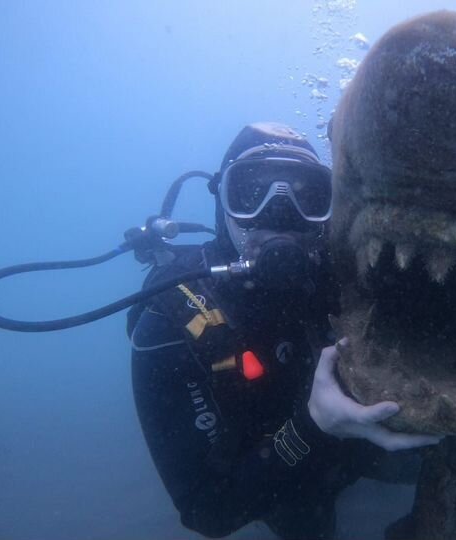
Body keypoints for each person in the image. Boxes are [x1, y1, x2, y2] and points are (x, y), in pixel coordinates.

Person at [127, 122, 438, 540]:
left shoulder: (347, 271)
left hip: (353, 445)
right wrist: (313, 427)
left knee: (443, 454)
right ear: (223, 203)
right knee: (307, 520)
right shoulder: (171, 320)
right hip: (277, 469)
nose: (280, 213)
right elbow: (207, 511)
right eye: (252, 193)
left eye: (307, 196)